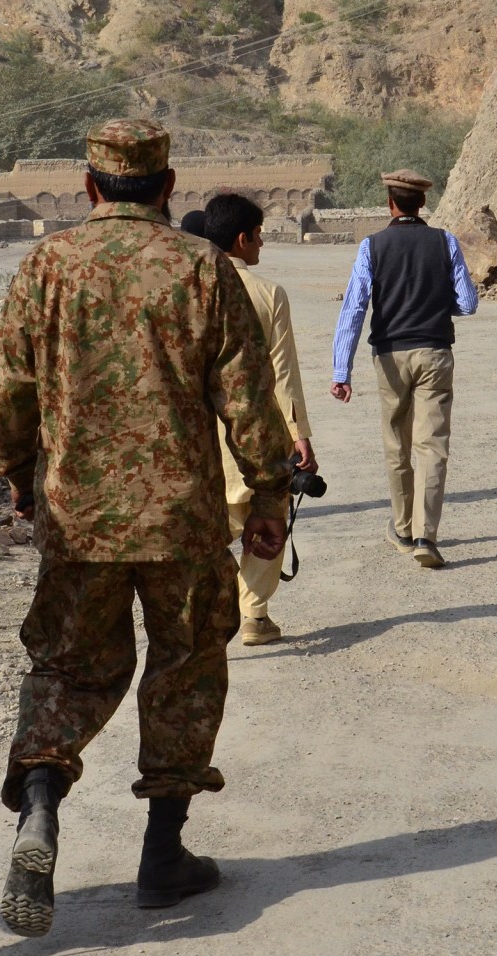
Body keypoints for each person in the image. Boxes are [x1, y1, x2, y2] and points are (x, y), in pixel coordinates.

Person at [0, 119, 293, 936]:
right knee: (186, 670)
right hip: (182, 521)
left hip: (78, 521)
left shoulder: (46, 266)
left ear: (90, 187)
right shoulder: (202, 268)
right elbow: (248, 400)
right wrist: (269, 497)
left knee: (68, 669)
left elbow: (12, 393)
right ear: (167, 187)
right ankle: (163, 854)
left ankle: (41, 806)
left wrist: (20, 479)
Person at [329, 168, 480, 569]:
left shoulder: (371, 247)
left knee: (397, 443)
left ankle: (401, 528)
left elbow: (355, 308)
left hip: (389, 356)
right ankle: (426, 537)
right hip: (435, 352)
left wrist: (340, 370)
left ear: (390, 205)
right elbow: (466, 302)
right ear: (422, 203)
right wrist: (433, 306)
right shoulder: (444, 241)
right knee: (432, 446)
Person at [204, 192, 317, 646]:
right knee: (270, 516)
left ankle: (209, 611)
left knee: (213, 527)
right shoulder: (268, 294)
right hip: (260, 434)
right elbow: (284, 374)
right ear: (242, 239)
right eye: (260, 237)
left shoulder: (189, 289)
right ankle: (253, 613)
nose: (262, 246)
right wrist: (300, 435)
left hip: (204, 435)